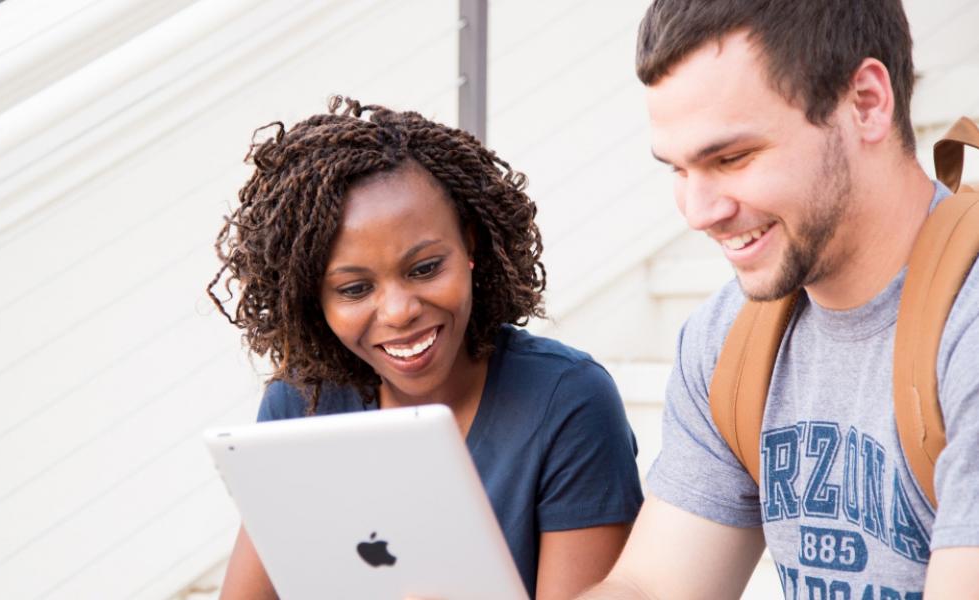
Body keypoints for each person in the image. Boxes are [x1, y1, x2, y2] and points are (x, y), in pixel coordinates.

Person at [579, 1, 979, 598]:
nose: (697, 211)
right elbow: (653, 588)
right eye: (679, 169)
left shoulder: (965, 321)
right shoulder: (728, 338)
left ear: (866, 102)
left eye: (731, 158)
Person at [208, 97, 643, 599]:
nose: (398, 312)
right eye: (354, 289)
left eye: (425, 268)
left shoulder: (566, 402)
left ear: (471, 245)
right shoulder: (301, 403)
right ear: (314, 299)